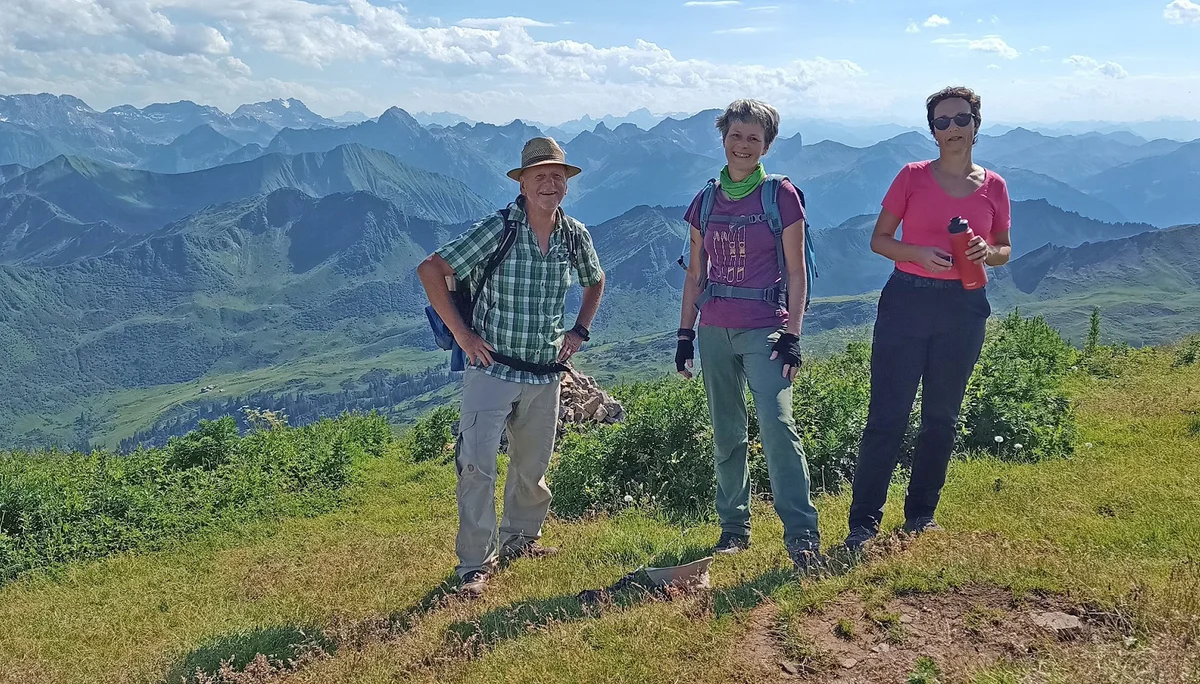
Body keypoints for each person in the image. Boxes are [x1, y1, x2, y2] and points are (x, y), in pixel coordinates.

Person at [417, 137, 605, 597]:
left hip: (544, 372)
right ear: (522, 183)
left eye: (557, 176)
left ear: (567, 185)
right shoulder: (497, 229)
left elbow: (595, 280)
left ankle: (521, 540)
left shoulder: (574, 235)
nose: (549, 183)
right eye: (540, 176)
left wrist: (579, 332)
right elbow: (431, 269)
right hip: (492, 368)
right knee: (476, 467)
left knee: (532, 465)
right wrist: (464, 336)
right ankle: (475, 565)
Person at [844, 86, 1012, 552]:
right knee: (887, 415)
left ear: (976, 124)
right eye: (942, 122)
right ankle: (863, 523)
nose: (952, 128)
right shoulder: (912, 176)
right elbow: (879, 239)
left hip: (964, 306)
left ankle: (921, 516)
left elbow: (1004, 248)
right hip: (907, 301)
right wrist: (917, 252)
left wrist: (986, 251)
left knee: (942, 417)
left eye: (961, 119)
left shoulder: (995, 186)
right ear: (932, 131)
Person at [675, 99, 823, 572]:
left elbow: (796, 272)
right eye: (736, 135)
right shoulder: (705, 201)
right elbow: (695, 274)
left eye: (753, 138)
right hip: (713, 329)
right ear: (723, 138)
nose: (743, 145)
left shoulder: (781, 196)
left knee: (778, 427)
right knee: (727, 432)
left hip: (766, 329)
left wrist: (793, 333)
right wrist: (684, 335)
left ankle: (801, 535)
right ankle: (733, 530)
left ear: (767, 145)